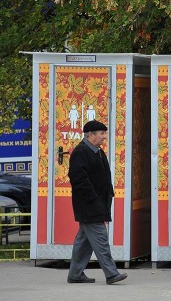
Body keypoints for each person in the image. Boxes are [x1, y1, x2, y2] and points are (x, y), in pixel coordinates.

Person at [67, 120, 127, 285]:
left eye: (104, 133)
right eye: (101, 133)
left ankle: (75, 274)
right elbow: (79, 180)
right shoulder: (81, 152)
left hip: (98, 204)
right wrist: (93, 198)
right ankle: (111, 273)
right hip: (89, 205)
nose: (104, 137)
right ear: (90, 135)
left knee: (84, 242)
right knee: (101, 240)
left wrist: (109, 194)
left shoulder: (98, 152)